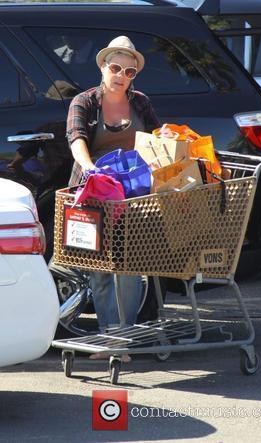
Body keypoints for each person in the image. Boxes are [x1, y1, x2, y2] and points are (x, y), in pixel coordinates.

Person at [66, 35, 161, 360]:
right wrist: (91, 167)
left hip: (133, 195)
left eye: (129, 71)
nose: (121, 75)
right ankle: (108, 335)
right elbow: (76, 138)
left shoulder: (140, 102)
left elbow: (156, 139)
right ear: (104, 67)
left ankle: (122, 338)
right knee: (100, 268)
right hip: (95, 192)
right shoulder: (84, 101)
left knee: (130, 267)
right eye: (115, 67)